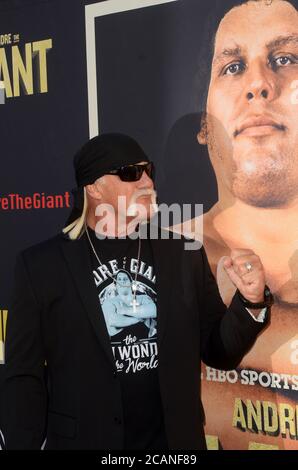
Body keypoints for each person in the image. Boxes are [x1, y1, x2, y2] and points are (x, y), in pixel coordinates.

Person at [1, 132, 272, 450]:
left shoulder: (183, 252)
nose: (146, 182)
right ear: (94, 187)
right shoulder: (42, 266)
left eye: (148, 171)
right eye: (130, 173)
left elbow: (218, 352)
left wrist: (249, 302)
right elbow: (23, 377)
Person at [177, 0, 298, 450]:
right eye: (232, 66)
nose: (259, 85)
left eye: (285, 59)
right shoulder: (161, 257)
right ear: (204, 124)